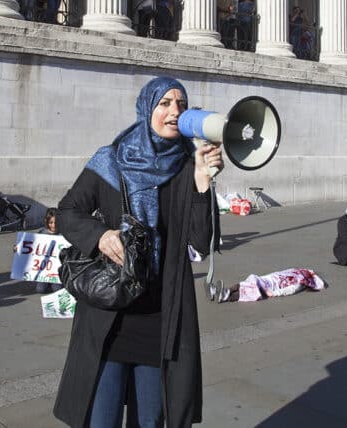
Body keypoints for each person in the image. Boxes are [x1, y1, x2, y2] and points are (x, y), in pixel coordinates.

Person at [53, 76, 223, 427]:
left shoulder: (187, 167)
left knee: (151, 420)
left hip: (161, 320)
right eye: (165, 103)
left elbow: (201, 243)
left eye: (181, 104)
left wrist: (204, 182)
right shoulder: (110, 161)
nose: (174, 111)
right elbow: (67, 211)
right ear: (147, 109)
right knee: (103, 418)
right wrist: (100, 236)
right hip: (110, 314)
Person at [35, 207, 63, 294]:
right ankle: (46, 282)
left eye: (56, 223)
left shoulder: (63, 234)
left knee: (57, 290)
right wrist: (18, 248)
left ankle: (59, 282)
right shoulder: (41, 233)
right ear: (46, 222)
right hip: (43, 268)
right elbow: (31, 247)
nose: (53, 225)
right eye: (51, 222)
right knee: (40, 290)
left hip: (57, 269)